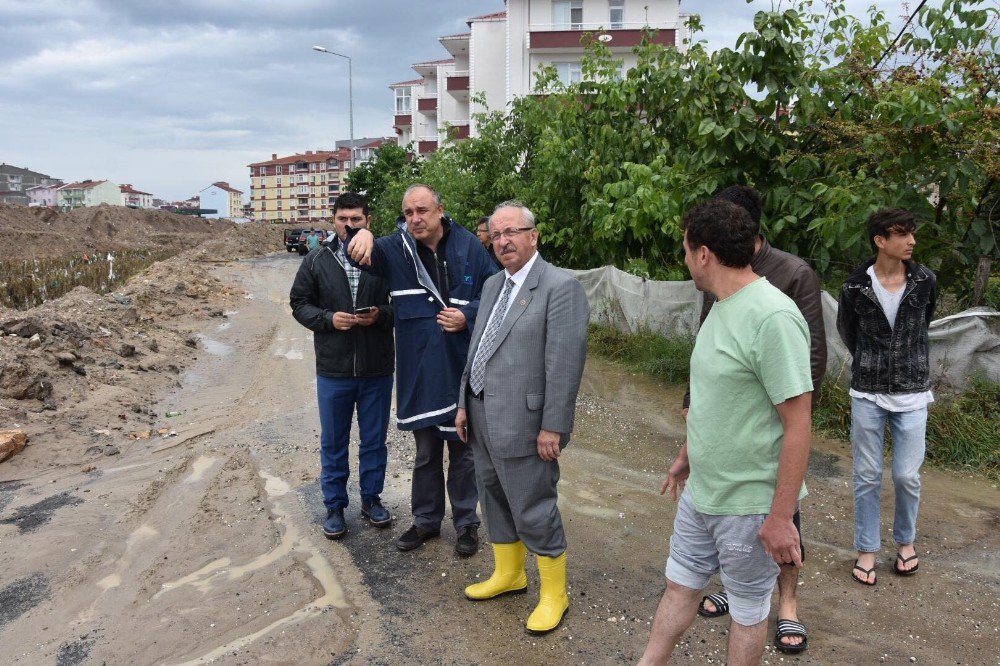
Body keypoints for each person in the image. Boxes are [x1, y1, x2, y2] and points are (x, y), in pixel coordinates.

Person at [639, 199, 813, 666]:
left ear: (703, 254)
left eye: (685, 248)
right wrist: (687, 454)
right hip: (704, 493)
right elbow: (720, 402)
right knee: (680, 586)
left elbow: (798, 424)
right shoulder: (721, 307)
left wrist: (780, 518)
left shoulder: (772, 317)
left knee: (747, 612)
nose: (685, 257)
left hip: (748, 506)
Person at [692, 185, 825, 654]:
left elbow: (809, 364)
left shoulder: (792, 275)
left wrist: (785, 426)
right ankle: (740, 588)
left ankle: (787, 606)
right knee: (740, 547)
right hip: (726, 425)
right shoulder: (717, 280)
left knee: (783, 522)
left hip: (772, 429)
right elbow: (711, 343)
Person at [455, 201, 589, 634]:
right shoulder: (494, 283)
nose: (504, 241)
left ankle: (555, 595)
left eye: (513, 232)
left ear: (534, 235)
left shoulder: (560, 287)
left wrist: (554, 425)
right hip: (481, 415)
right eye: (496, 235)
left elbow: (564, 366)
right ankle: (509, 575)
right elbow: (478, 347)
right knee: (492, 497)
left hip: (527, 423)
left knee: (533, 505)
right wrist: (463, 402)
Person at [347, 184, 499, 556]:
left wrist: (468, 315)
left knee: (462, 453)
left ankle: (466, 523)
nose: (415, 218)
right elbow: (357, 256)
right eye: (409, 212)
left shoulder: (470, 248)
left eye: (423, 211)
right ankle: (427, 521)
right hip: (419, 369)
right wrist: (361, 231)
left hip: (461, 366)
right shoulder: (395, 249)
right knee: (427, 452)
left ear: (440, 210)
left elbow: (496, 290)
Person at [837, 208, 936, 587]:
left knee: (907, 475)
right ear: (881, 241)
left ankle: (905, 542)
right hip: (867, 392)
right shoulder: (854, 287)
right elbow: (848, 330)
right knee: (866, 474)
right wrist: (873, 362)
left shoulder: (925, 281)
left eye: (912, 234)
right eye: (902, 234)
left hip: (913, 391)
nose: (911, 241)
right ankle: (866, 549)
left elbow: (923, 324)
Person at [289, 193, 395, 540]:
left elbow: (407, 305)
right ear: (332, 220)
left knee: (374, 441)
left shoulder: (385, 259)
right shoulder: (318, 259)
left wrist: (381, 316)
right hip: (333, 370)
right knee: (334, 442)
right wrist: (328, 319)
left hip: (377, 367)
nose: (349, 225)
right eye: (343, 219)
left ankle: (371, 499)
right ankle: (334, 506)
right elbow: (299, 303)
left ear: (369, 221)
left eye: (356, 220)